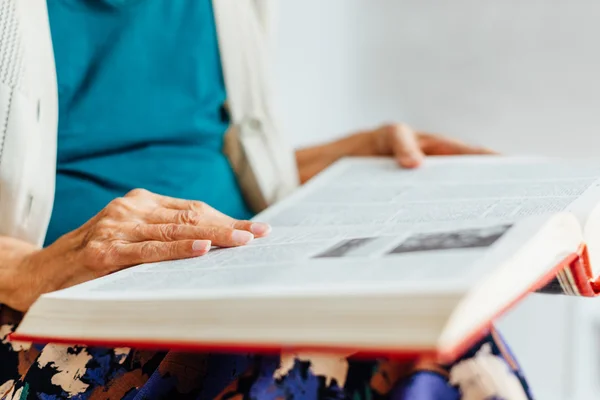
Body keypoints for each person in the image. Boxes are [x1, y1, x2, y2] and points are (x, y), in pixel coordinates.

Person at [0, 0, 533, 399]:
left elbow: (190, 147)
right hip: (49, 302)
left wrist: (337, 162)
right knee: (313, 355)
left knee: (438, 337)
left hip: (231, 266)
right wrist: (26, 270)